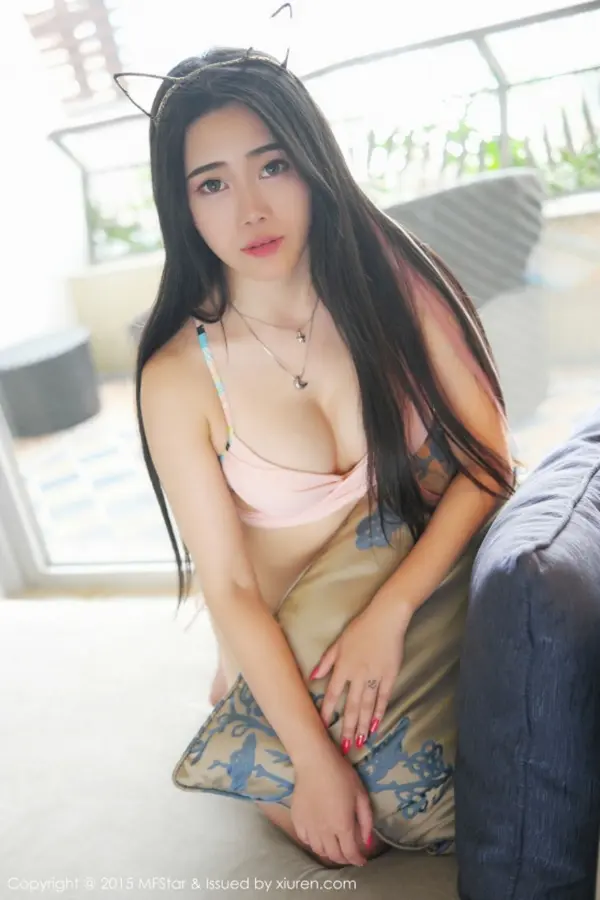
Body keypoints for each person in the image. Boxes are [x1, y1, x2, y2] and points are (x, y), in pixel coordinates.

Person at [127, 47, 515, 869]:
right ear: (182, 205)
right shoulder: (179, 376)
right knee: (361, 832)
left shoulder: (389, 281)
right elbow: (230, 588)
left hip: (407, 614)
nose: (251, 211)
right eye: (212, 184)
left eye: (273, 166)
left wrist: (390, 612)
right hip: (289, 660)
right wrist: (311, 763)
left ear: (312, 163)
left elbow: (490, 460)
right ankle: (239, 709)